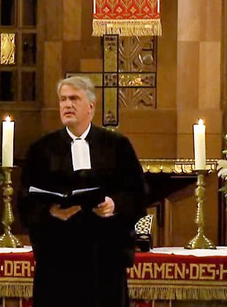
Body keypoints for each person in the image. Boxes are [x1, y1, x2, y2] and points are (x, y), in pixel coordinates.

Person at [18, 76, 147, 307]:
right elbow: (25, 200)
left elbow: (139, 193)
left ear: (91, 106)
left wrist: (114, 204)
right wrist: (51, 211)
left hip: (104, 258)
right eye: (63, 99)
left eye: (74, 99)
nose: (67, 105)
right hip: (58, 260)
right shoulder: (42, 149)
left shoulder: (117, 145)